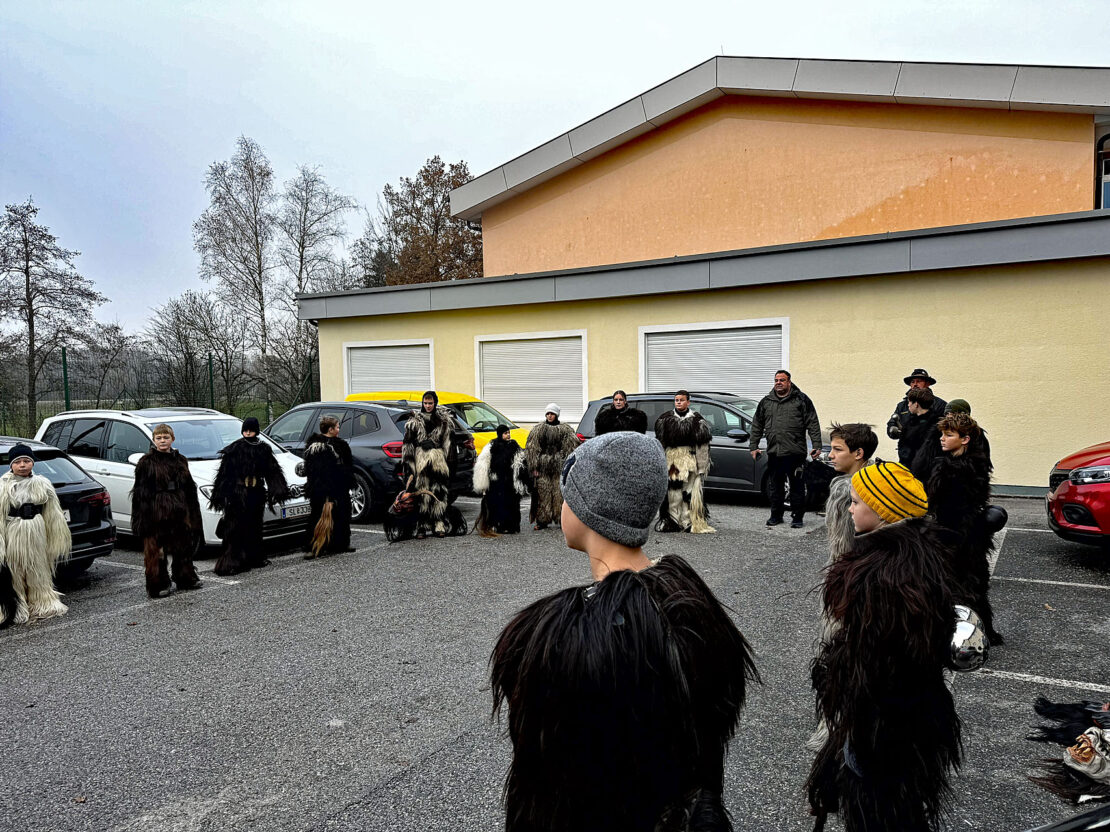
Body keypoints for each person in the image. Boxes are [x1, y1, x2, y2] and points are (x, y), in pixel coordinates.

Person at [490, 431, 758, 832]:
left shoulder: (565, 638)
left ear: (587, 509)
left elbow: (549, 781)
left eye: (568, 494)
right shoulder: (692, 608)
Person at [807, 461, 962, 832]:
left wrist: (831, 676)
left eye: (857, 502)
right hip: (916, 719)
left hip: (881, 728)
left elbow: (872, 668)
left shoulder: (877, 577)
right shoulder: (920, 559)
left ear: (884, 510)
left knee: (878, 811)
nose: (849, 508)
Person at [806, 423, 878, 751]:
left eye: (837, 449)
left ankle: (837, 726)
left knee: (842, 653)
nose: (829, 454)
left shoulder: (854, 491)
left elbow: (850, 546)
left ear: (858, 453)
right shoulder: (867, 483)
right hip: (852, 580)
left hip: (851, 584)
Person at [926, 411, 1003, 645]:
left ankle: (963, 632)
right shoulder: (970, 464)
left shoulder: (956, 469)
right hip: (963, 533)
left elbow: (941, 501)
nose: (942, 439)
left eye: (949, 435)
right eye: (942, 434)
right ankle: (977, 630)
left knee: (962, 583)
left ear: (965, 439)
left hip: (958, 535)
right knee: (969, 583)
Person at [209, 417, 290, 576]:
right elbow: (224, 474)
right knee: (235, 528)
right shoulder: (235, 449)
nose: (247, 432)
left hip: (256, 492)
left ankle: (254, 557)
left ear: (256, 430)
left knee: (255, 526)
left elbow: (272, 471)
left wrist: (278, 488)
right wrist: (220, 495)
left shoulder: (263, 449)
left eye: (251, 430)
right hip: (238, 493)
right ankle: (230, 562)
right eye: (245, 430)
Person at [0, 444, 71, 623]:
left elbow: (53, 513)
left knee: (38, 568)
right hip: (14, 530)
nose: (22, 465)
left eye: (26, 461)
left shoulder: (42, 483)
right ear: (11, 465)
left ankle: (41, 603)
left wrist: (55, 536)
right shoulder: (3, 486)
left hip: (36, 530)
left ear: (32, 463)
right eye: (18, 462)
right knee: (15, 569)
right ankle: (19, 606)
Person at [131, 424, 203, 598]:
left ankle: (185, 577)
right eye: (159, 438)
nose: (163, 441)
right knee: (157, 551)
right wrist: (143, 520)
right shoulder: (146, 463)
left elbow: (190, 488)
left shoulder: (181, 460)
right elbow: (140, 494)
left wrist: (193, 515)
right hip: (156, 513)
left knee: (183, 546)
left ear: (172, 439)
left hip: (179, 510)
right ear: (154, 440)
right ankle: (158, 584)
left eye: (166, 437)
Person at [749, 370, 821, 529]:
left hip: (795, 452)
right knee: (775, 486)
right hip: (774, 452)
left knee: (796, 486)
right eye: (776, 380)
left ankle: (797, 517)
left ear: (789, 382)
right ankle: (776, 515)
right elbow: (757, 425)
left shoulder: (801, 400)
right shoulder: (766, 402)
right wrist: (753, 446)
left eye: (782, 380)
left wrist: (816, 445)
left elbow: (813, 423)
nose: (778, 383)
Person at [401, 391, 461, 538]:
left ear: (435, 403)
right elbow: (407, 445)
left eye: (430, 403)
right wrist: (410, 466)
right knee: (421, 494)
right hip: (420, 463)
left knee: (439, 492)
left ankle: (439, 524)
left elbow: (448, 444)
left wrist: (450, 465)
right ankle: (421, 526)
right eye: (425, 403)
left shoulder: (443, 421)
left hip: (438, 462)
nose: (428, 406)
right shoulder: (414, 421)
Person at [654, 390, 715, 533]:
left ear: (688, 402)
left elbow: (702, 446)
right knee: (673, 492)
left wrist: (701, 467)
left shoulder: (697, 421)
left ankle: (688, 521)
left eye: (681, 400)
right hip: (672, 460)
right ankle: (672, 520)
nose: (678, 402)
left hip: (690, 459)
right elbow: (661, 444)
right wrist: (660, 463)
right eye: (676, 400)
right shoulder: (665, 420)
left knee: (689, 492)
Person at [302, 415, 355, 556]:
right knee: (318, 515)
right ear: (330, 429)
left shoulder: (341, 445)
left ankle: (340, 543)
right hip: (321, 487)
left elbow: (348, 465)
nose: (339, 429)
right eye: (337, 427)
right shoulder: (315, 446)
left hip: (339, 486)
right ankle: (314, 546)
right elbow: (312, 468)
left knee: (342, 515)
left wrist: (347, 479)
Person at [525, 403, 579, 530]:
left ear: (556, 415)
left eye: (552, 414)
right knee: (543, 493)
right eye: (548, 413)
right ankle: (542, 521)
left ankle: (562, 520)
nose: (550, 416)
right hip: (543, 468)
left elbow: (571, 447)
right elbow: (532, 448)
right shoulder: (539, 429)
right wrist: (534, 467)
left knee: (559, 493)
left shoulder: (565, 429)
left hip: (558, 467)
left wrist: (565, 463)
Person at [473, 424, 530, 536]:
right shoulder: (492, 446)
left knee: (511, 504)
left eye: (508, 433)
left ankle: (511, 526)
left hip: (509, 482)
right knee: (497, 504)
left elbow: (520, 461)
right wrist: (483, 483)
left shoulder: (513, 445)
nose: (508, 435)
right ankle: (498, 525)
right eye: (505, 433)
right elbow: (483, 464)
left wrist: (520, 478)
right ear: (500, 434)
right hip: (496, 481)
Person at [886, 369, 947, 459]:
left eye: (919, 381)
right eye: (912, 382)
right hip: (906, 456)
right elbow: (892, 424)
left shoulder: (940, 404)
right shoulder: (902, 405)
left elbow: (946, 429)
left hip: (930, 456)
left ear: (927, 384)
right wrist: (894, 432)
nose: (915, 384)